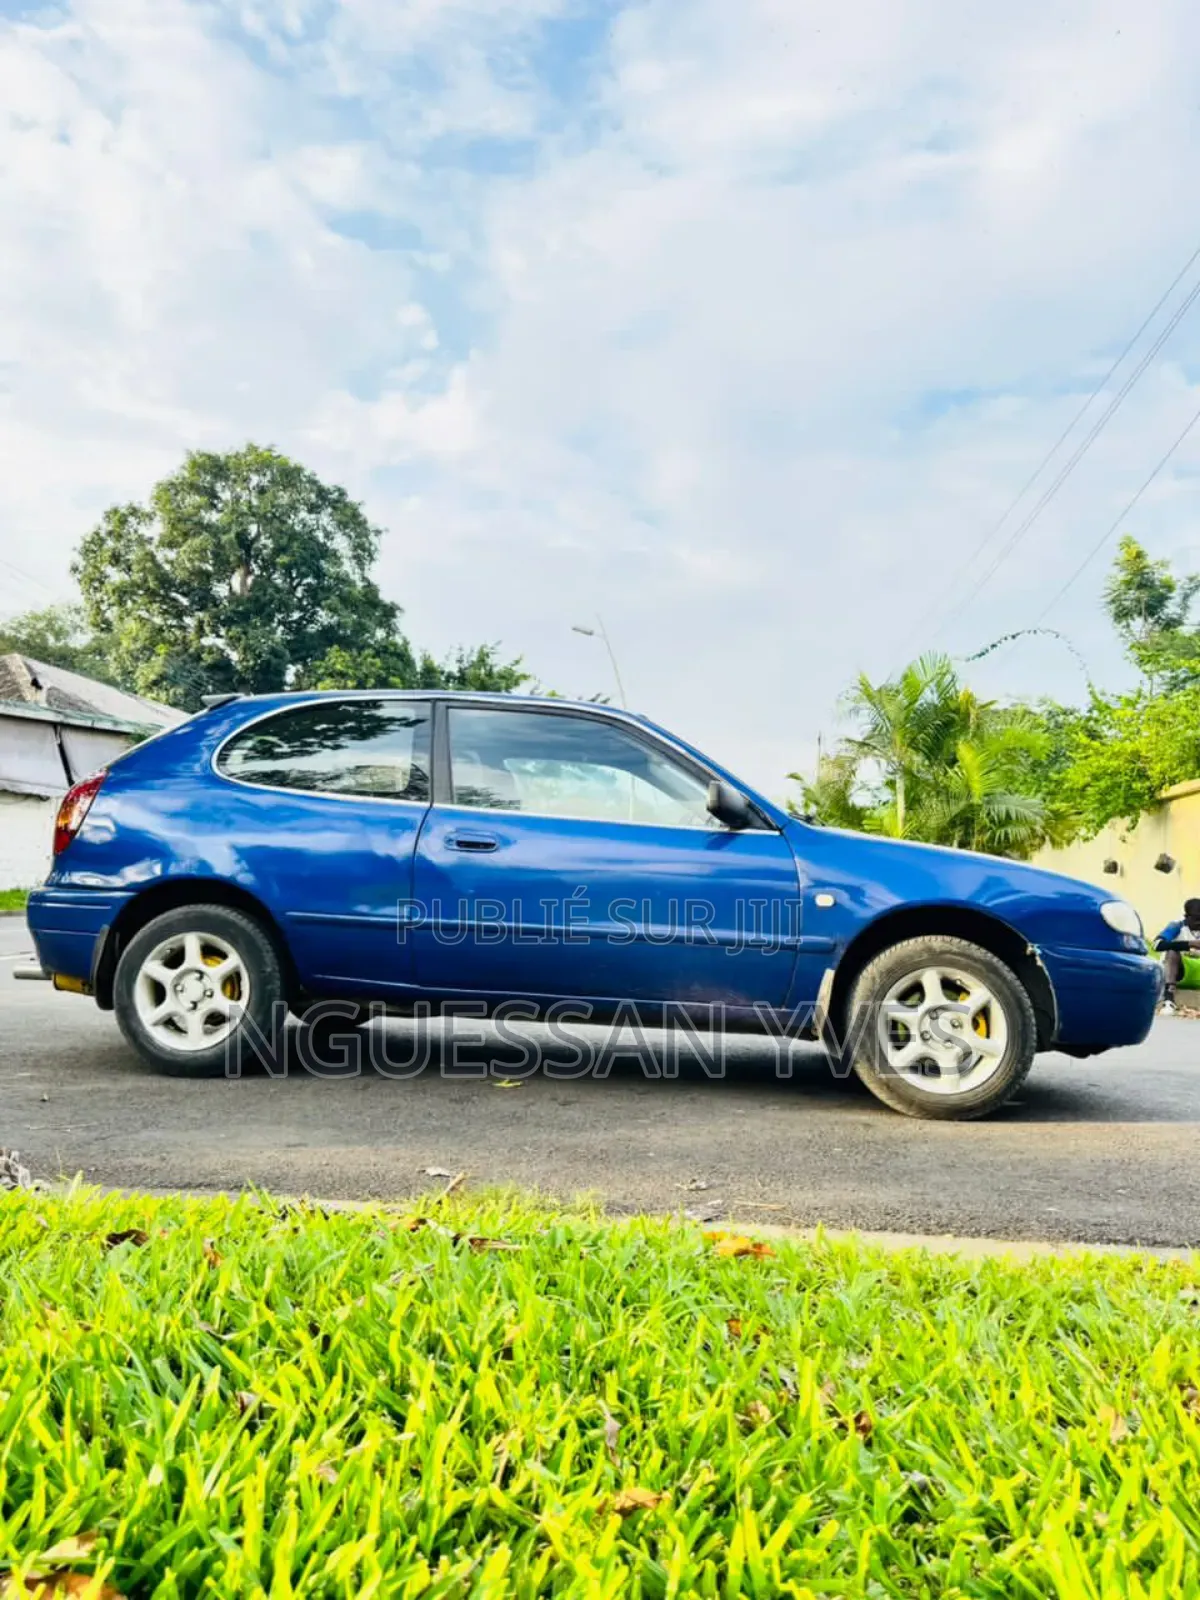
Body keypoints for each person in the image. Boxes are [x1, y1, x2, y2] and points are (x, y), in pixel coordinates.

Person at [1154, 897, 1200, 1013]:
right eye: (1196, 919)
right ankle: (1169, 999)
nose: (1199, 922)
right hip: (1180, 971)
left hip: (1197, 971)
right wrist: (1189, 944)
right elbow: (1157, 945)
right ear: (1186, 917)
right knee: (1172, 951)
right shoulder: (1177, 926)